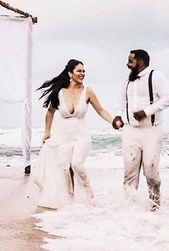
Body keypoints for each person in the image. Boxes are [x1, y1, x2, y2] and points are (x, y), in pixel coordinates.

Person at [33, 59, 116, 209]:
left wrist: (113, 121)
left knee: (76, 163)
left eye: (83, 71)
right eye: (79, 71)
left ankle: (88, 190)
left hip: (81, 136)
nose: (82, 73)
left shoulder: (87, 91)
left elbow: (101, 110)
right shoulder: (60, 92)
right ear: (70, 73)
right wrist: (47, 132)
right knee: (65, 167)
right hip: (63, 136)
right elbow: (50, 112)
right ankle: (70, 198)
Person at [111, 49, 169, 208]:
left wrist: (146, 111)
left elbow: (168, 98)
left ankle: (155, 204)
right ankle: (130, 208)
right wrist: (118, 116)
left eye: (130, 61)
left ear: (141, 62)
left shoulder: (156, 76)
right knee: (129, 172)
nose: (127, 64)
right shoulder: (127, 82)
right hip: (130, 130)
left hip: (151, 130)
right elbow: (121, 100)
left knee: (150, 170)